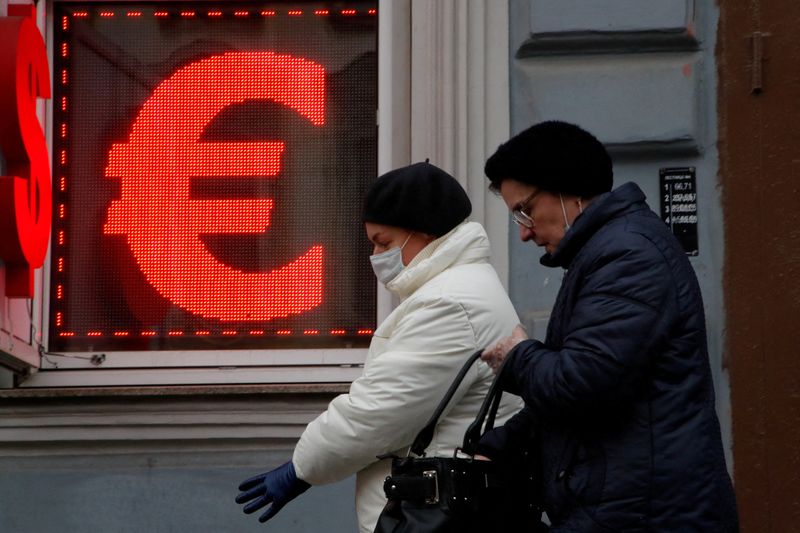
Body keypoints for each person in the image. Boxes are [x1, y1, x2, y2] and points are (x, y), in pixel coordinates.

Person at [478, 121, 739, 531]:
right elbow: (593, 382)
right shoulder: (606, 251)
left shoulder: (627, 255)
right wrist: (500, 446)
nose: (525, 231)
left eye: (525, 209)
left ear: (568, 190)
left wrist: (518, 357)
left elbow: (584, 381)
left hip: (646, 515)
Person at [235, 162, 523, 532]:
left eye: (384, 243)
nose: (376, 256)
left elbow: (379, 413)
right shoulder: (460, 289)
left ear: (424, 232)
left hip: (436, 516)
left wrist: (302, 468)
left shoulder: (450, 303)